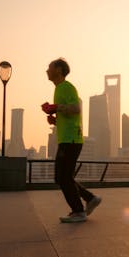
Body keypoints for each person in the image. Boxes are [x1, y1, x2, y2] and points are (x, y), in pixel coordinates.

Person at [43, 58, 102, 223]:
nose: (46, 70)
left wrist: (56, 108)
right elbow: (69, 114)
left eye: (50, 67)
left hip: (71, 140)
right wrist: (55, 120)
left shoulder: (66, 87)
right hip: (68, 139)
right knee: (64, 177)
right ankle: (90, 199)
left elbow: (76, 109)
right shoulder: (59, 88)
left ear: (59, 70)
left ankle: (79, 210)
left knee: (62, 177)